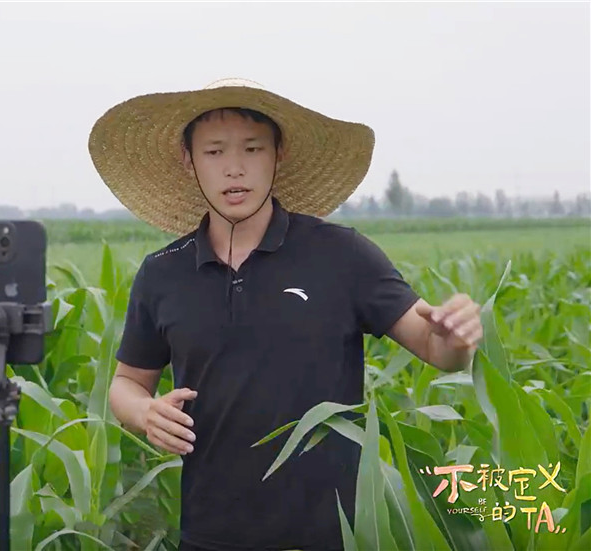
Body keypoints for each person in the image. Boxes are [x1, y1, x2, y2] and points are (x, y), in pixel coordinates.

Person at [86, 78, 483, 550]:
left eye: (253, 149)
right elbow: (127, 383)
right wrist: (145, 412)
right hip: (211, 533)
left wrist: (455, 339)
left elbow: (435, 346)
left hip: (332, 535)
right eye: (214, 152)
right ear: (188, 161)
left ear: (280, 153)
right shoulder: (162, 273)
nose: (234, 168)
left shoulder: (342, 255)